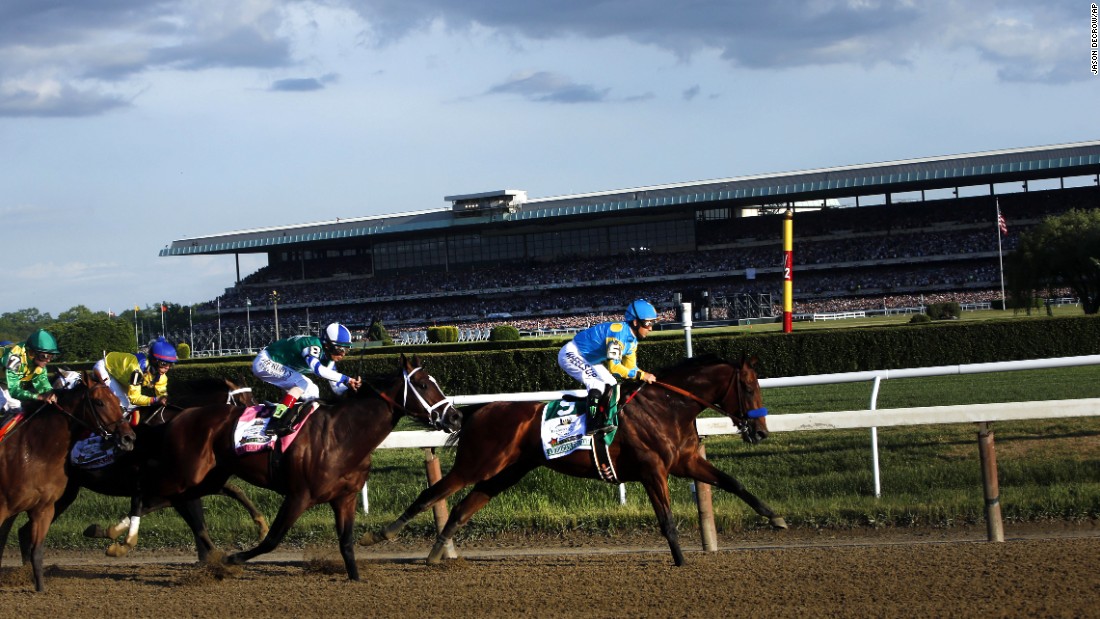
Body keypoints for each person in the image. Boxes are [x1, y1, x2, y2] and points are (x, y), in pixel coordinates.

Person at [557, 299, 659, 434]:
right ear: (635, 322)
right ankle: (591, 424)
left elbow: (631, 368)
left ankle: (604, 417)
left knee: (612, 383)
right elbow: (615, 368)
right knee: (596, 384)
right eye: (648, 323)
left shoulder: (632, 341)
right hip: (571, 353)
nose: (650, 328)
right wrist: (641, 375)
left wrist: (645, 375)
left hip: (590, 360)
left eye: (653, 323)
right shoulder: (618, 334)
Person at [252, 322, 362, 437]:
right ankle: (276, 421)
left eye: (346, 350)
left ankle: (288, 416)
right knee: (303, 384)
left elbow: (337, 388)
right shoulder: (313, 346)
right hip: (265, 361)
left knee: (313, 391)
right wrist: (347, 379)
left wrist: (354, 388)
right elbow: (318, 370)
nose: (342, 355)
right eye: (340, 349)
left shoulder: (329, 359)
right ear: (327, 345)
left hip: (276, 364)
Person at [93, 337, 178, 421]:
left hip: (121, 377)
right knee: (123, 404)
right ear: (154, 361)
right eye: (164, 364)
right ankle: (98, 433)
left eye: (171, 364)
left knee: (130, 406)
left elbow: (161, 392)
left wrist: (164, 397)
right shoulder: (136, 370)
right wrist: (155, 399)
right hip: (105, 369)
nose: (167, 368)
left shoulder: (161, 376)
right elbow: (135, 398)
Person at [2, 329, 60, 412]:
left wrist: (50, 394)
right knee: (11, 404)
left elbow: (42, 383)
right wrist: (39, 397)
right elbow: (14, 390)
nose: (48, 360)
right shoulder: (15, 358)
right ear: (32, 352)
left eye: (51, 356)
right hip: (4, 382)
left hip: (4, 382)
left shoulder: (38, 362)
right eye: (45, 356)